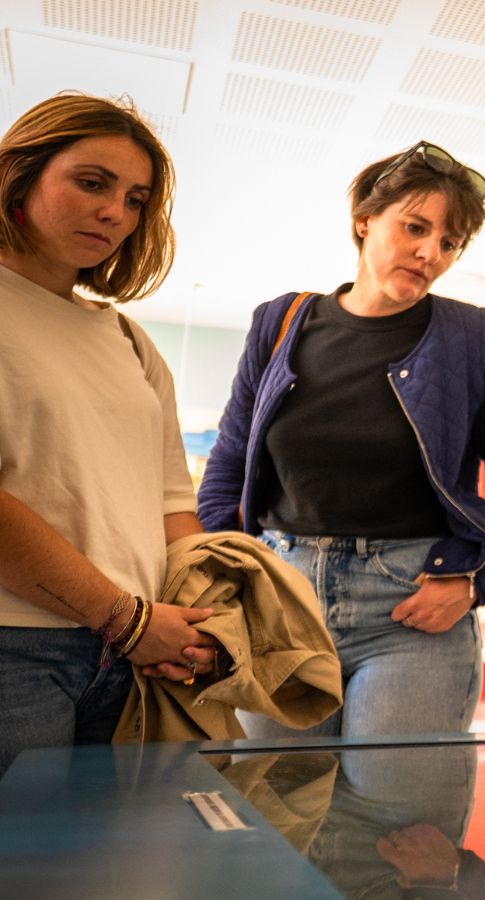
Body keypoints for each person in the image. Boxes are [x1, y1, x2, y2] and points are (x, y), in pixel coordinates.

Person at [197, 141, 485, 739]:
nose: (431, 251)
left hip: (410, 611)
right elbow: (228, 465)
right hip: (281, 604)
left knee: (397, 820)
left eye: (451, 242)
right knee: (277, 813)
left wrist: (475, 583)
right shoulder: (278, 323)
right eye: (415, 227)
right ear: (364, 220)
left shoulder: (472, 338)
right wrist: (227, 581)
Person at [0, 94, 217, 776]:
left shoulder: (127, 338)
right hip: (17, 650)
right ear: (20, 176)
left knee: (110, 876)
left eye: (136, 199)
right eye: (93, 183)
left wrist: (201, 613)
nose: (115, 213)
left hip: (133, 657)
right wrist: (125, 619)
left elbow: (169, 500)